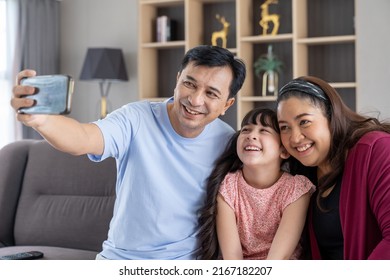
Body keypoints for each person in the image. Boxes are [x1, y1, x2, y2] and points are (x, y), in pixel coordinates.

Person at [10, 45, 246, 260]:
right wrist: (40, 119)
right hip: (120, 261)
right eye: (190, 84)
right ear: (177, 80)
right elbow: (83, 138)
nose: (195, 99)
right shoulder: (136, 118)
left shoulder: (229, 143)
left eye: (211, 94)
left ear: (227, 104)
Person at [276, 76, 390, 260]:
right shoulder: (301, 179)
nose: (295, 138)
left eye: (304, 121)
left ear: (331, 115)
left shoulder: (376, 149)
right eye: (284, 127)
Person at [197, 107, 315, 260]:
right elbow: (232, 258)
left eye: (264, 131)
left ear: (284, 151)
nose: (251, 135)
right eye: (245, 130)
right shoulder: (228, 185)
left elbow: (279, 258)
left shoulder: (296, 189)